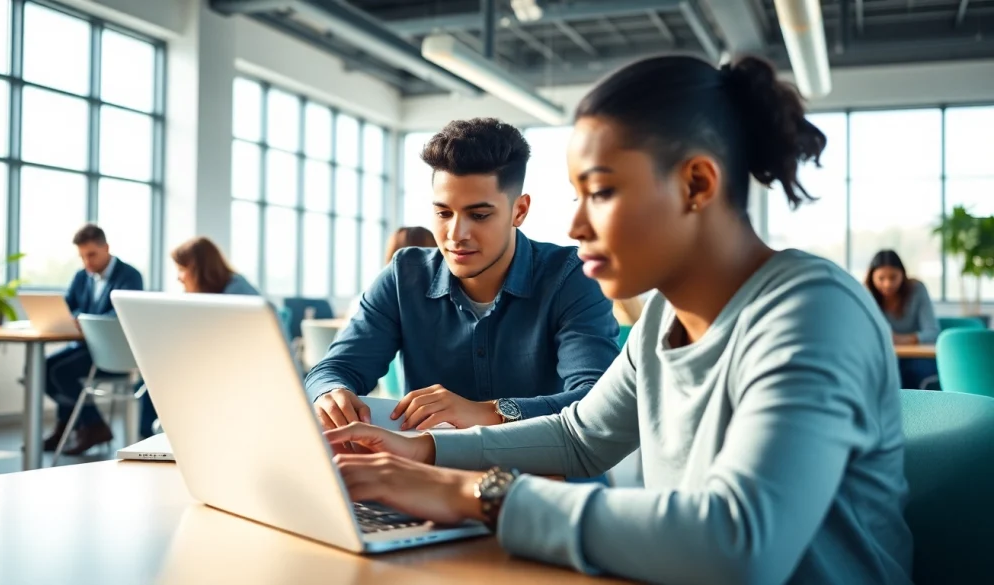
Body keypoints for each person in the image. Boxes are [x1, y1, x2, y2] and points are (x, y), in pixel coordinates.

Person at [321, 55, 913, 584]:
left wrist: (474, 493)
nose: (576, 226)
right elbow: (579, 437)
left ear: (696, 184)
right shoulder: (660, 318)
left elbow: (739, 544)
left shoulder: (812, 310)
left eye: (600, 193)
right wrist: (419, 451)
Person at [307, 118, 620, 434]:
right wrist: (331, 392)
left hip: (545, 475)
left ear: (519, 211)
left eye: (479, 215)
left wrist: (489, 412)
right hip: (431, 473)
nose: (456, 234)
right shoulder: (404, 276)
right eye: (443, 213)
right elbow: (335, 369)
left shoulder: (570, 277)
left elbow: (598, 402)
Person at [137, 236, 263, 438]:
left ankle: (155, 440)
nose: (179, 277)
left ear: (198, 269)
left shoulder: (237, 293)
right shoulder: (214, 292)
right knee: (152, 376)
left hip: (244, 376)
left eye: (181, 269)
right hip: (221, 370)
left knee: (159, 378)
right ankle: (154, 440)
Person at [43, 223, 143, 455]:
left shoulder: (130, 276)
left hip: (112, 353)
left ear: (106, 247)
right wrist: (76, 317)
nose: (87, 262)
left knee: (59, 372)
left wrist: (85, 319)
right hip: (85, 348)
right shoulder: (82, 276)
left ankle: (88, 427)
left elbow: (121, 316)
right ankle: (81, 426)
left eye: (91, 255)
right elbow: (68, 308)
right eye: (82, 256)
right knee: (43, 367)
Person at [865, 249, 939, 389]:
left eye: (893, 277)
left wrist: (902, 339)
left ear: (903, 274)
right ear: (872, 277)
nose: (887, 284)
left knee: (909, 372)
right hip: (882, 357)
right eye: (881, 278)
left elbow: (933, 332)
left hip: (916, 358)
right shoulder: (866, 294)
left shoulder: (917, 289)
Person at [172, 236, 260, 295]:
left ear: (201, 270)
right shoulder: (209, 296)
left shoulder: (237, 291)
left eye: (182, 269)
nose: (179, 278)